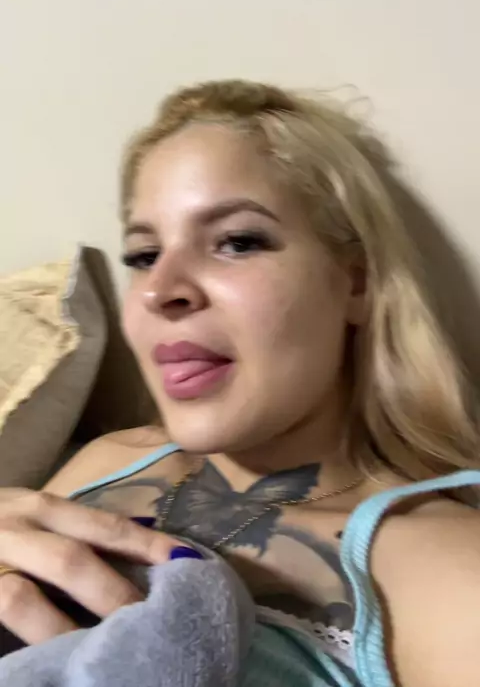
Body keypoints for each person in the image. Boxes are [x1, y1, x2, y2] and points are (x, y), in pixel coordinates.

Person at [0, 79, 479, 686]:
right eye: (144, 255)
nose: (159, 290)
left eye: (237, 242)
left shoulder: (446, 574)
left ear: (356, 283)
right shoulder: (109, 459)